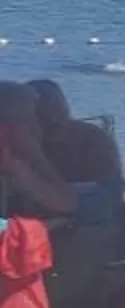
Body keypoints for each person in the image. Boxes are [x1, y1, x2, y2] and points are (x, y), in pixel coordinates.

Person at [26, 81, 121, 190]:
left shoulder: (93, 138)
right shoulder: (16, 141)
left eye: (56, 108)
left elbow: (109, 189)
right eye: (41, 111)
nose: (52, 117)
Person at [0, 84, 76, 217]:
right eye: (33, 118)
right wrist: (31, 156)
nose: (39, 126)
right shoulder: (11, 161)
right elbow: (66, 203)